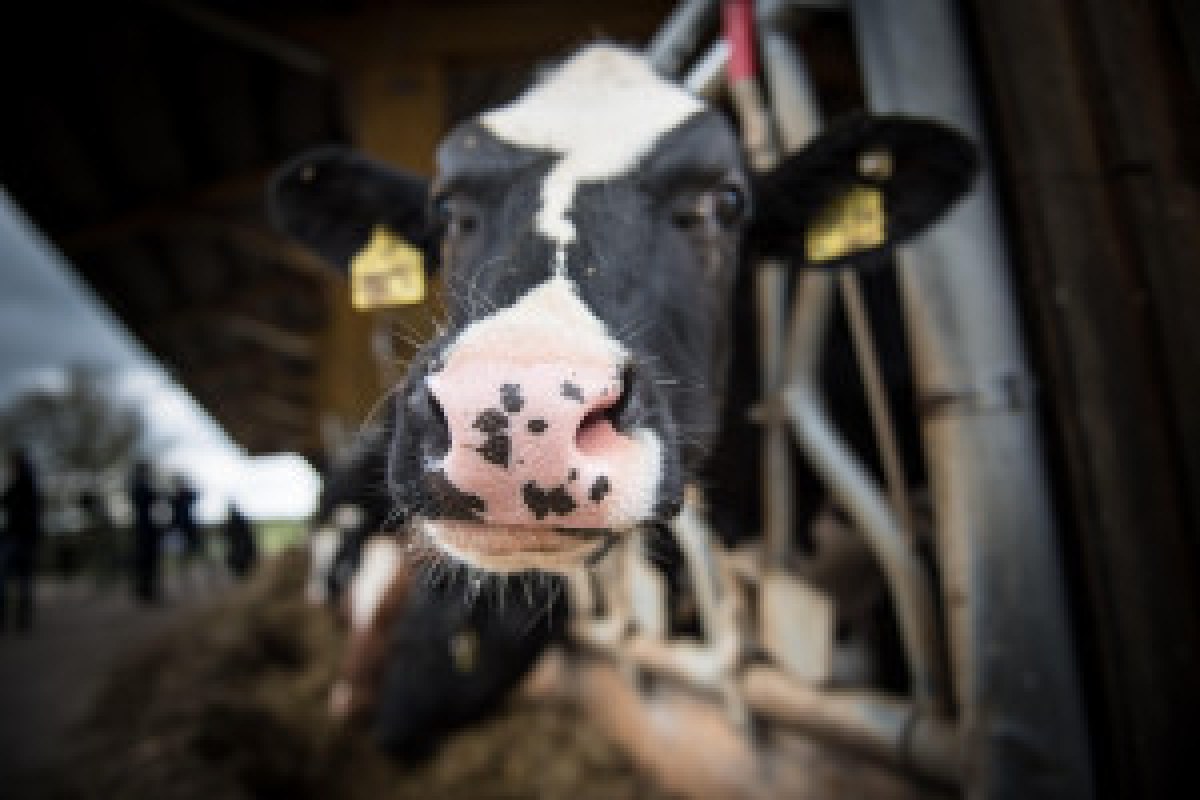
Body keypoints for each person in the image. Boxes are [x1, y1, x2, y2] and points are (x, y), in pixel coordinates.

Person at [0, 449, 43, 633]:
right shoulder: (27, 485)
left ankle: (11, 617)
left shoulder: (21, 485)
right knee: (24, 580)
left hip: (18, 537)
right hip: (24, 537)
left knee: (11, 577)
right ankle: (22, 619)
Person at [129, 460, 163, 605]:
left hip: (146, 527)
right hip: (144, 528)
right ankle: (145, 591)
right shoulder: (139, 486)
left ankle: (147, 590)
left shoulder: (139, 485)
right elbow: (150, 499)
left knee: (147, 560)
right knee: (146, 560)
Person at [223, 505, 258, 579]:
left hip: (240, 549)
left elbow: (227, 534)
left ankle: (241, 574)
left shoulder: (231, 523)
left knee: (239, 559)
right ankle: (242, 574)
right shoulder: (242, 522)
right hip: (241, 548)